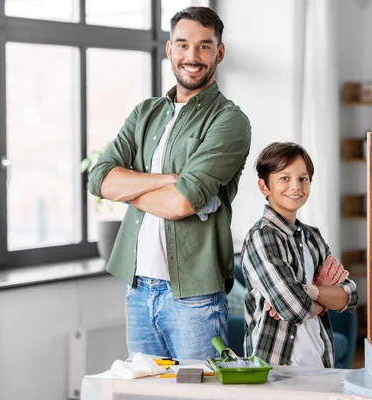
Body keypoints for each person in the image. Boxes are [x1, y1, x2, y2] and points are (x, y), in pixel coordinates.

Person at [88, 6, 251, 360]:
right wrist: (163, 180)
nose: (192, 56)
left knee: (197, 394)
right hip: (138, 291)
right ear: (170, 50)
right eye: (183, 45)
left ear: (219, 52)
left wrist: (130, 188)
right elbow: (99, 179)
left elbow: (181, 203)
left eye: (204, 47)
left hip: (194, 297)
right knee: (145, 393)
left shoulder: (229, 121)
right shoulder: (144, 113)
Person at [240, 142, 357, 368]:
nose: (296, 186)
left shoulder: (313, 237)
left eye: (303, 179)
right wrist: (324, 299)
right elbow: (294, 309)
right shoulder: (262, 238)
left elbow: (350, 295)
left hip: (320, 362)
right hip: (276, 369)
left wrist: (309, 292)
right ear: (264, 186)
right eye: (284, 178)